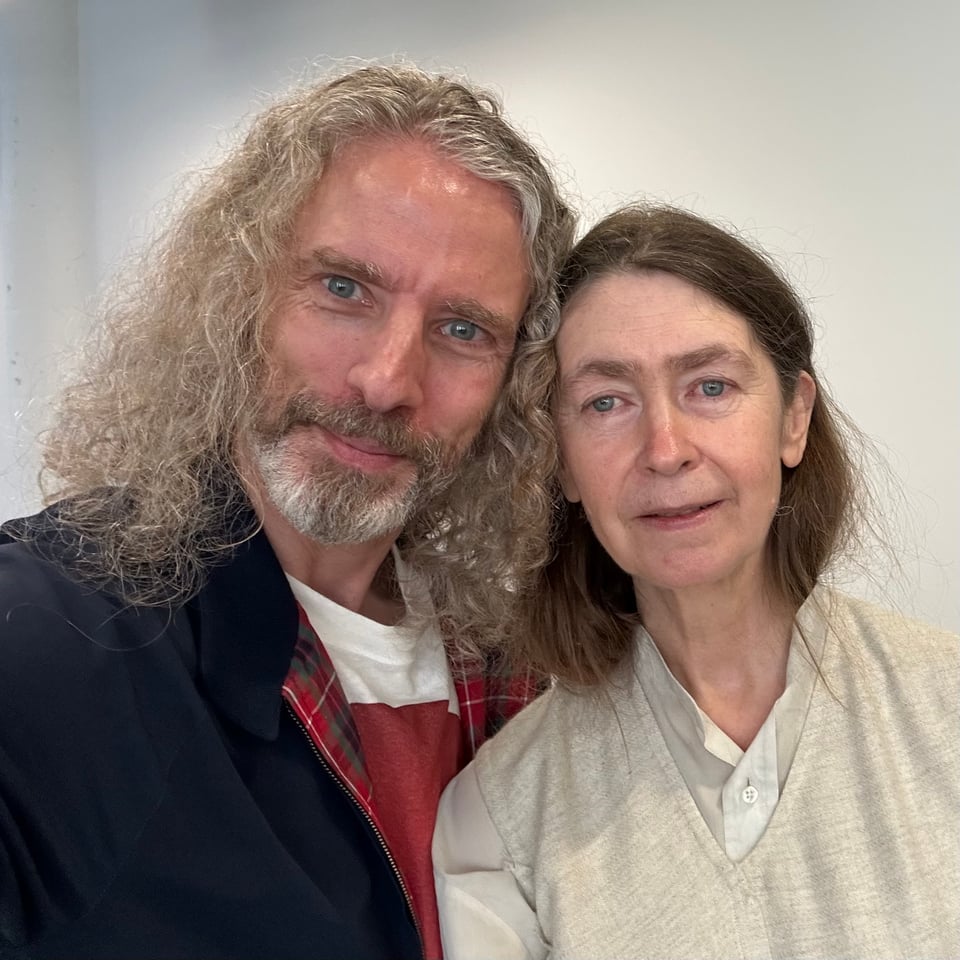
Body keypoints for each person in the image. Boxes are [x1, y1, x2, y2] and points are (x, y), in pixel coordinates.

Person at [0, 63, 574, 960]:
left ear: (516, 383)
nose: (388, 380)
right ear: (239, 297)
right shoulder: (48, 636)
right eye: (344, 289)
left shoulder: (517, 673)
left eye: (464, 329)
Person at [433, 205, 960, 959]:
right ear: (563, 463)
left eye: (709, 387)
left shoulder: (947, 709)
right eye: (605, 402)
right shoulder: (498, 819)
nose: (665, 450)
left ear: (794, 420)